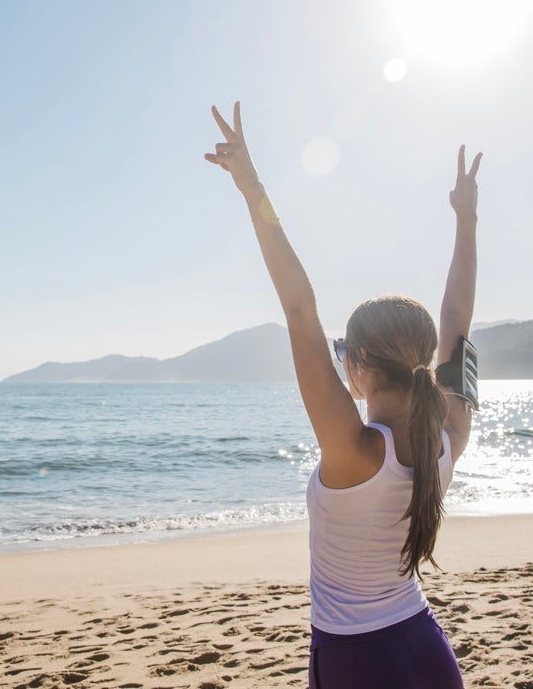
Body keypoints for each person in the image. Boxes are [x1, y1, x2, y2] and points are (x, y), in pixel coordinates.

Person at [205, 102, 481, 689]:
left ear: (357, 365)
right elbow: (458, 319)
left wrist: (251, 188)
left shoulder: (355, 452)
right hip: (426, 648)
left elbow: (298, 307)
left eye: (341, 354)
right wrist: (466, 221)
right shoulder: (448, 438)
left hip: (357, 660)